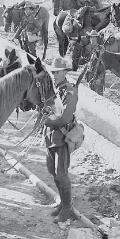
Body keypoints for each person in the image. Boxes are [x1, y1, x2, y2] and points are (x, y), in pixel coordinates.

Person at [44, 56, 78, 223]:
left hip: (62, 137)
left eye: (58, 72)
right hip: (50, 136)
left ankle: (67, 208)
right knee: (52, 171)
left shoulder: (70, 92)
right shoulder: (55, 90)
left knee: (61, 174)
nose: (55, 75)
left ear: (65, 72)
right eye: (53, 72)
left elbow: (65, 118)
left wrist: (47, 120)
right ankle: (63, 203)